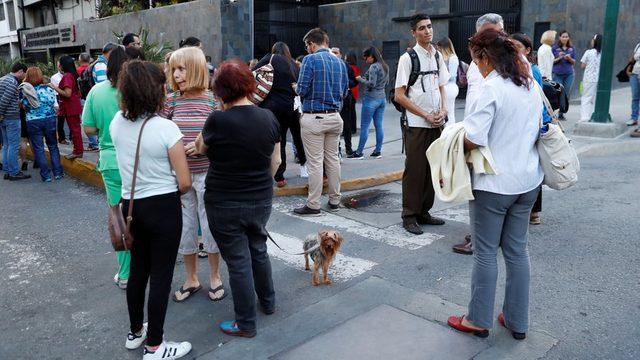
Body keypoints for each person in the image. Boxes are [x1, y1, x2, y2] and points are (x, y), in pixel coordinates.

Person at [446, 28, 543, 341]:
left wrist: (451, 143)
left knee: (485, 253)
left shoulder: (492, 87)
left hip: (494, 184)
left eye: (477, 61)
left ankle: (477, 319)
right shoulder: (528, 83)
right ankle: (517, 320)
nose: (477, 67)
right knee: (517, 252)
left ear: (486, 57)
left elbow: (474, 138)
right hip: (528, 181)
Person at [110, 60, 193, 359]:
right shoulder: (166, 129)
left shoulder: (117, 122)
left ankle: (136, 333)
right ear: (153, 90)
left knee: (139, 272)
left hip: (131, 207)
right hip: (163, 208)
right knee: (160, 276)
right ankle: (155, 346)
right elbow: (184, 182)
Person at [194, 59, 281, 338]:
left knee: (238, 261)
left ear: (220, 91)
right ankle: (268, 303)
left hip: (224, 201)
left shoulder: (218, 119)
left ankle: (245, 323)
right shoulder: (268, 117)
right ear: (248, 85)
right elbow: (276, 161)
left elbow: (200, 147)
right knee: (258, 248)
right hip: (260, 198)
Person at [161, 47, 225, 303]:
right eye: (173, 69)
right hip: (180, 179)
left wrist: (204, 145)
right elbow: (160, 135)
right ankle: (191, 278)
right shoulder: (171, 101)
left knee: (210, 227)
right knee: (186, 229)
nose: (176, 75)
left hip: (209, 175)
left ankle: (215, 276)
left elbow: (223, 136)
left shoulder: (212, 101)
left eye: (182, 68)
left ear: (197, 69)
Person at [393, 13, 449, 235]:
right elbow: (400, 95)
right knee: (415, 171)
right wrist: (426, 114)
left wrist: (444, 110)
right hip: (416, 124)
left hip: (437, 123)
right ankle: (409, 215)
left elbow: (442, 86)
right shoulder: (408, 58)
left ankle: (424, 211)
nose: (428, 31)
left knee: (432, 170)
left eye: (429, 26)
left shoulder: (437, 56)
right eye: (422, 28)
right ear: (413, 32)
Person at [454, 13, 504, 254]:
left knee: (483, 192)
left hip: (489, 137)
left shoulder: (506, 64)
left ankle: (480, 238)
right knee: (474, 188)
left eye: (499, 32)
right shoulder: (478, 62)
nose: (497, 38)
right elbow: (474, 98)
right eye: (490, 34)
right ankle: (479, 233)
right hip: (476, 130)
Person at [82, 46, 130, 289]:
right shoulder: (135, 90)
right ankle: (146, 267)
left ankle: (125, 274)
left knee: (119, 217)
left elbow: (88, 128)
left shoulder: (96, 92)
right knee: (141, 215)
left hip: (111, 161)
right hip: (138, 159)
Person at [293, 28, 348, 215]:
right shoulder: (340, 62)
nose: (307, 49)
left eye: (307, 45)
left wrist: (297, 87)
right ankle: (335, 201)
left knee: (315, 162)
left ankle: (313, 204)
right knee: (333, 160)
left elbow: (301, 89)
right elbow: (345, 92)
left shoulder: (309, 60)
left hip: (314, 117)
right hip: (334, 116)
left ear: (312, 44)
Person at [511, 32, 554, 226]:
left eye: (517, 47)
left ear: (528, 50)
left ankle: (534, 211)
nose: (512, 50)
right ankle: (533, 211)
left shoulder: (531, 69)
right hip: (532, 123)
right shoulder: (520, 67)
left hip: (537, 124)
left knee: (534, 168)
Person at [252, 41, 305, 187]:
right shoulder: (293, 63)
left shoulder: (270, 58)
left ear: (274, 49)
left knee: (275, 141)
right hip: (291, 106)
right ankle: (293, 172)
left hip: (271, 106)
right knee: (290, 138)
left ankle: (277, 175)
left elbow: (253, 72)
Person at [20, 67, 62, 182]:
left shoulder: (27, 90)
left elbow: (24, 106)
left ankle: (46, 175)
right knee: (53, 146)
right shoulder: (48, 89)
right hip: (49, 119)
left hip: (33, 121)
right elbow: (52, 102)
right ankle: (58, 173)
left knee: (39, 148)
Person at [349, 46, 389, 159]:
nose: (365, 61)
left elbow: (372, 84)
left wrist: (359, 79)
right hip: (382, 99)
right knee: (379, 126)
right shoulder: (385, 65)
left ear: (371, 56)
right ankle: (377, 151)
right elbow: (385, 83)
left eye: (366, 58)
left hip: (371, 99)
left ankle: (359, 152)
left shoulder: (374, 67)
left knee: (365, 126)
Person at [0, 62, 30, 180]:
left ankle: (8, 170)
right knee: (13, 145)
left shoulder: (2, 79)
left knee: (7, 145)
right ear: (21, 71)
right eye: (24, 74)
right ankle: (14, 172)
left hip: (4, 119)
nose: (24, 77)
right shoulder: (13, 83)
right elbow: (4, 100)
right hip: (11, 118)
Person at [49, 55, 83, 159]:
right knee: (75, 130)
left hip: (70, 106)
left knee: (74, 130)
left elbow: (67, 93)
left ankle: (78, 151)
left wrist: (54, 87)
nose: (58, 66)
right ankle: (77, 150)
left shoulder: (67, 76)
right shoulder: (72, 75)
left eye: (59, 64)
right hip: (72, 105)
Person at [332, 47, 358, 157]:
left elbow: (354, 81)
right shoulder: (329, 65)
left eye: (336, 52)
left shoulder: (345, 66)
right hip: (332, 100)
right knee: (333, 127)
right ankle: (337, 150)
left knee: (346, 125)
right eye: (332, 52)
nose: (334, 54)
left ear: (340, 55)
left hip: (345, 99)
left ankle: (348, 149)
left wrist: (345, 84)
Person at [77, 52, 99, 151]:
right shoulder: (93, 69)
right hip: (96, 97)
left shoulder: (77, 71)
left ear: (80, 60)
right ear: (89, 59)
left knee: (87, 121)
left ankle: (93, 143)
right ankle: (98, 142)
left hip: (83, 98)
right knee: (97, 119)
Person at [551, 30, 576, 119]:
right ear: (560, 37)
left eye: (566, 37)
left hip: (569, 74)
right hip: (557, 73)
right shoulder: (554, 48)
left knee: (566, 93)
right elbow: (551, 61)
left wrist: (569, 58)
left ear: (568, 38)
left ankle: (561, 113)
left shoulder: (572, 48)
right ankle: (554, 111)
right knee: (557, 92)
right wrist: (559, 57)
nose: (565, 38)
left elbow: (574, 62)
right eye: (563, 36)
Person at [579, 34, 602, 122]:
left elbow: (582, 65)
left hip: (588, 79)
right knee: (593, 98)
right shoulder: (602, 53)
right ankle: (591, 115)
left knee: (586, 98)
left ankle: (585, 117)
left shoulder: (588, 52)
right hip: (598, 79)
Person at [437, 37, 460, 124]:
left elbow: (452, 75)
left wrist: (440, 77)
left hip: (449, 87)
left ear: (444, 47)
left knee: (449, 112)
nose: (438, 50)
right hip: (444, 87)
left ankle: (449, 133)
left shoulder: (453, 58)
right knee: (445, 111)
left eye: (440, 48)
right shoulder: (442, 58)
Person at [51, 60, 68, 144]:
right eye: (58, 65)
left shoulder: (69, 75)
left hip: (68, 98)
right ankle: (62, 138)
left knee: (70, 119)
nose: (60, 67)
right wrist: (56, 103)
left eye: (61, 65)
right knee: (60, 120)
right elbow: (53, 92)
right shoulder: (54, 77)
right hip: (59, 98)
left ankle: (72, 137)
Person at [628, 41, 640, 134]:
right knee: (635, 97)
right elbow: (633, 59)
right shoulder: (638, 45)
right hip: (635, 73)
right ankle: (634, 118)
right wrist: (628, 69)